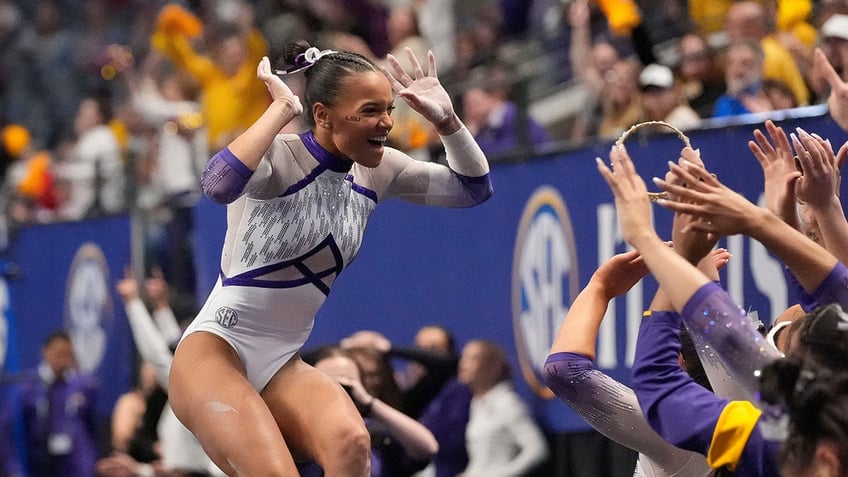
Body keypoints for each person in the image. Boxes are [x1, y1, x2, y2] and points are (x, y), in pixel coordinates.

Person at [168, 40, 492, 476]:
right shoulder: (280, 159)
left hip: (282, 361)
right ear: (322, 115)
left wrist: (449, 122)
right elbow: (218, 184)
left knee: (351, 441)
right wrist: (281, 109)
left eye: (389, 108)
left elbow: (473, 189)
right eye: (371, 110)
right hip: (214, 353)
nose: (387, 123)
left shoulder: (381, 170)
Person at [595, 135, 847, 474]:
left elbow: (661, 378)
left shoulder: (773, 440)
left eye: (780, 349)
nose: (770, 353)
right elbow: (836, 295)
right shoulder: (786, 430)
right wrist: (808, 213)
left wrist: (648, 241)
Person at [544, 248, 716, 477]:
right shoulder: (759, 417)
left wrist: (600, 287)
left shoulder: (681, 428)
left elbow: (564, 370)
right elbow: (724, 353)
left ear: (678, 360)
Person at [300, 346, 439, 477]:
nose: (337, 389)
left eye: (346, 382)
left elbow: (428, 448)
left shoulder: (374, 433)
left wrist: (369, 403)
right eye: (327, 381)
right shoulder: (295, 433)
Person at [1, 331, 99, 477]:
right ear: (45, 351)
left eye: (68, 354)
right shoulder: (27, 387)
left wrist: (90, 464)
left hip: (74, 465)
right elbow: (8, 428)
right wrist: (13, 468)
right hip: (37, 462)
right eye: (59, 353)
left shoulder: (83, 386)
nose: (63, 359)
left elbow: (92, 428)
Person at [457, 339, 549, 476]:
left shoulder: (508, 403)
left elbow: (537, 450)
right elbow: (480, 461)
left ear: (493, 367)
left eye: (473, 359)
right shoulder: (476, 403)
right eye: (463, 358)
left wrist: (501, 474)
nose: (463, 365)